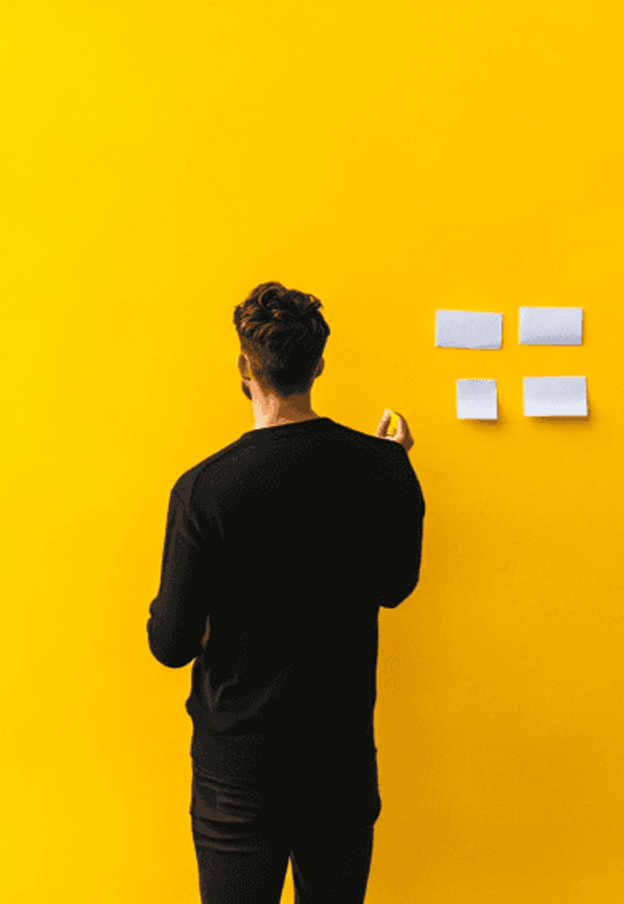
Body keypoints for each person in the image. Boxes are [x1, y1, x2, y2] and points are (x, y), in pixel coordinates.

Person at [146, 281, 426, 904]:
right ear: (318, 365)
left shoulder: (204, 489)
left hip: (238, 769)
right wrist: (394, 470)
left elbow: (171, 644)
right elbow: (395, 586)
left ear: (246, 366)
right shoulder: (382, 469)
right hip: (339, 763)